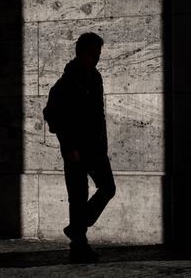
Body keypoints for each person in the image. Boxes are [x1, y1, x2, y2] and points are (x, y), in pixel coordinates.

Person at [51, 32, 116, 263]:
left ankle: (77, 227)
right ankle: (79, 246)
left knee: (108, 188)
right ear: (83, 53)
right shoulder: (69, 80)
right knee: (77, 197)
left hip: (96, 149)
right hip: (76, 151)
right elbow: (52, 113)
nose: (97, 58)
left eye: (99, 54)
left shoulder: (95, 77)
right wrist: (68, 146)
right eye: (94, 54)